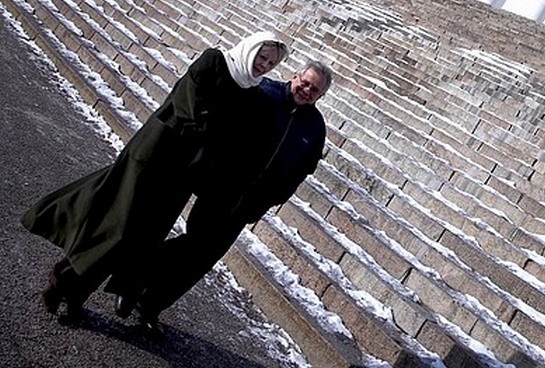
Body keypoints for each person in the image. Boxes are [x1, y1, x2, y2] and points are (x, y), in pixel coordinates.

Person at [21, 31, 288, 322]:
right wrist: (216, 136)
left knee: (138, 240)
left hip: (183, 175)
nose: (264, 65)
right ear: (251, 48)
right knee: (115, 225)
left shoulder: (252, 93)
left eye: (271, 63)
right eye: (262, 57)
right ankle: (61, 280)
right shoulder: (214, 61)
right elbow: (189, 107)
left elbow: (231, 136)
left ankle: (76, 294)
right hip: (154, 158)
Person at [116, 60, 333, 333]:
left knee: (205, 258)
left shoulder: (315, 127)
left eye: (315, 90)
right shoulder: (264, 92)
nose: (307, 90)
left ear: (320, 96)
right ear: (295, 76)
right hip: (221, 187)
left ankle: (150, 304)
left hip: (250, 204)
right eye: (305, 82)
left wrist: (274, 199)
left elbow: (302, 170)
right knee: (195, 245)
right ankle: (132, 278)